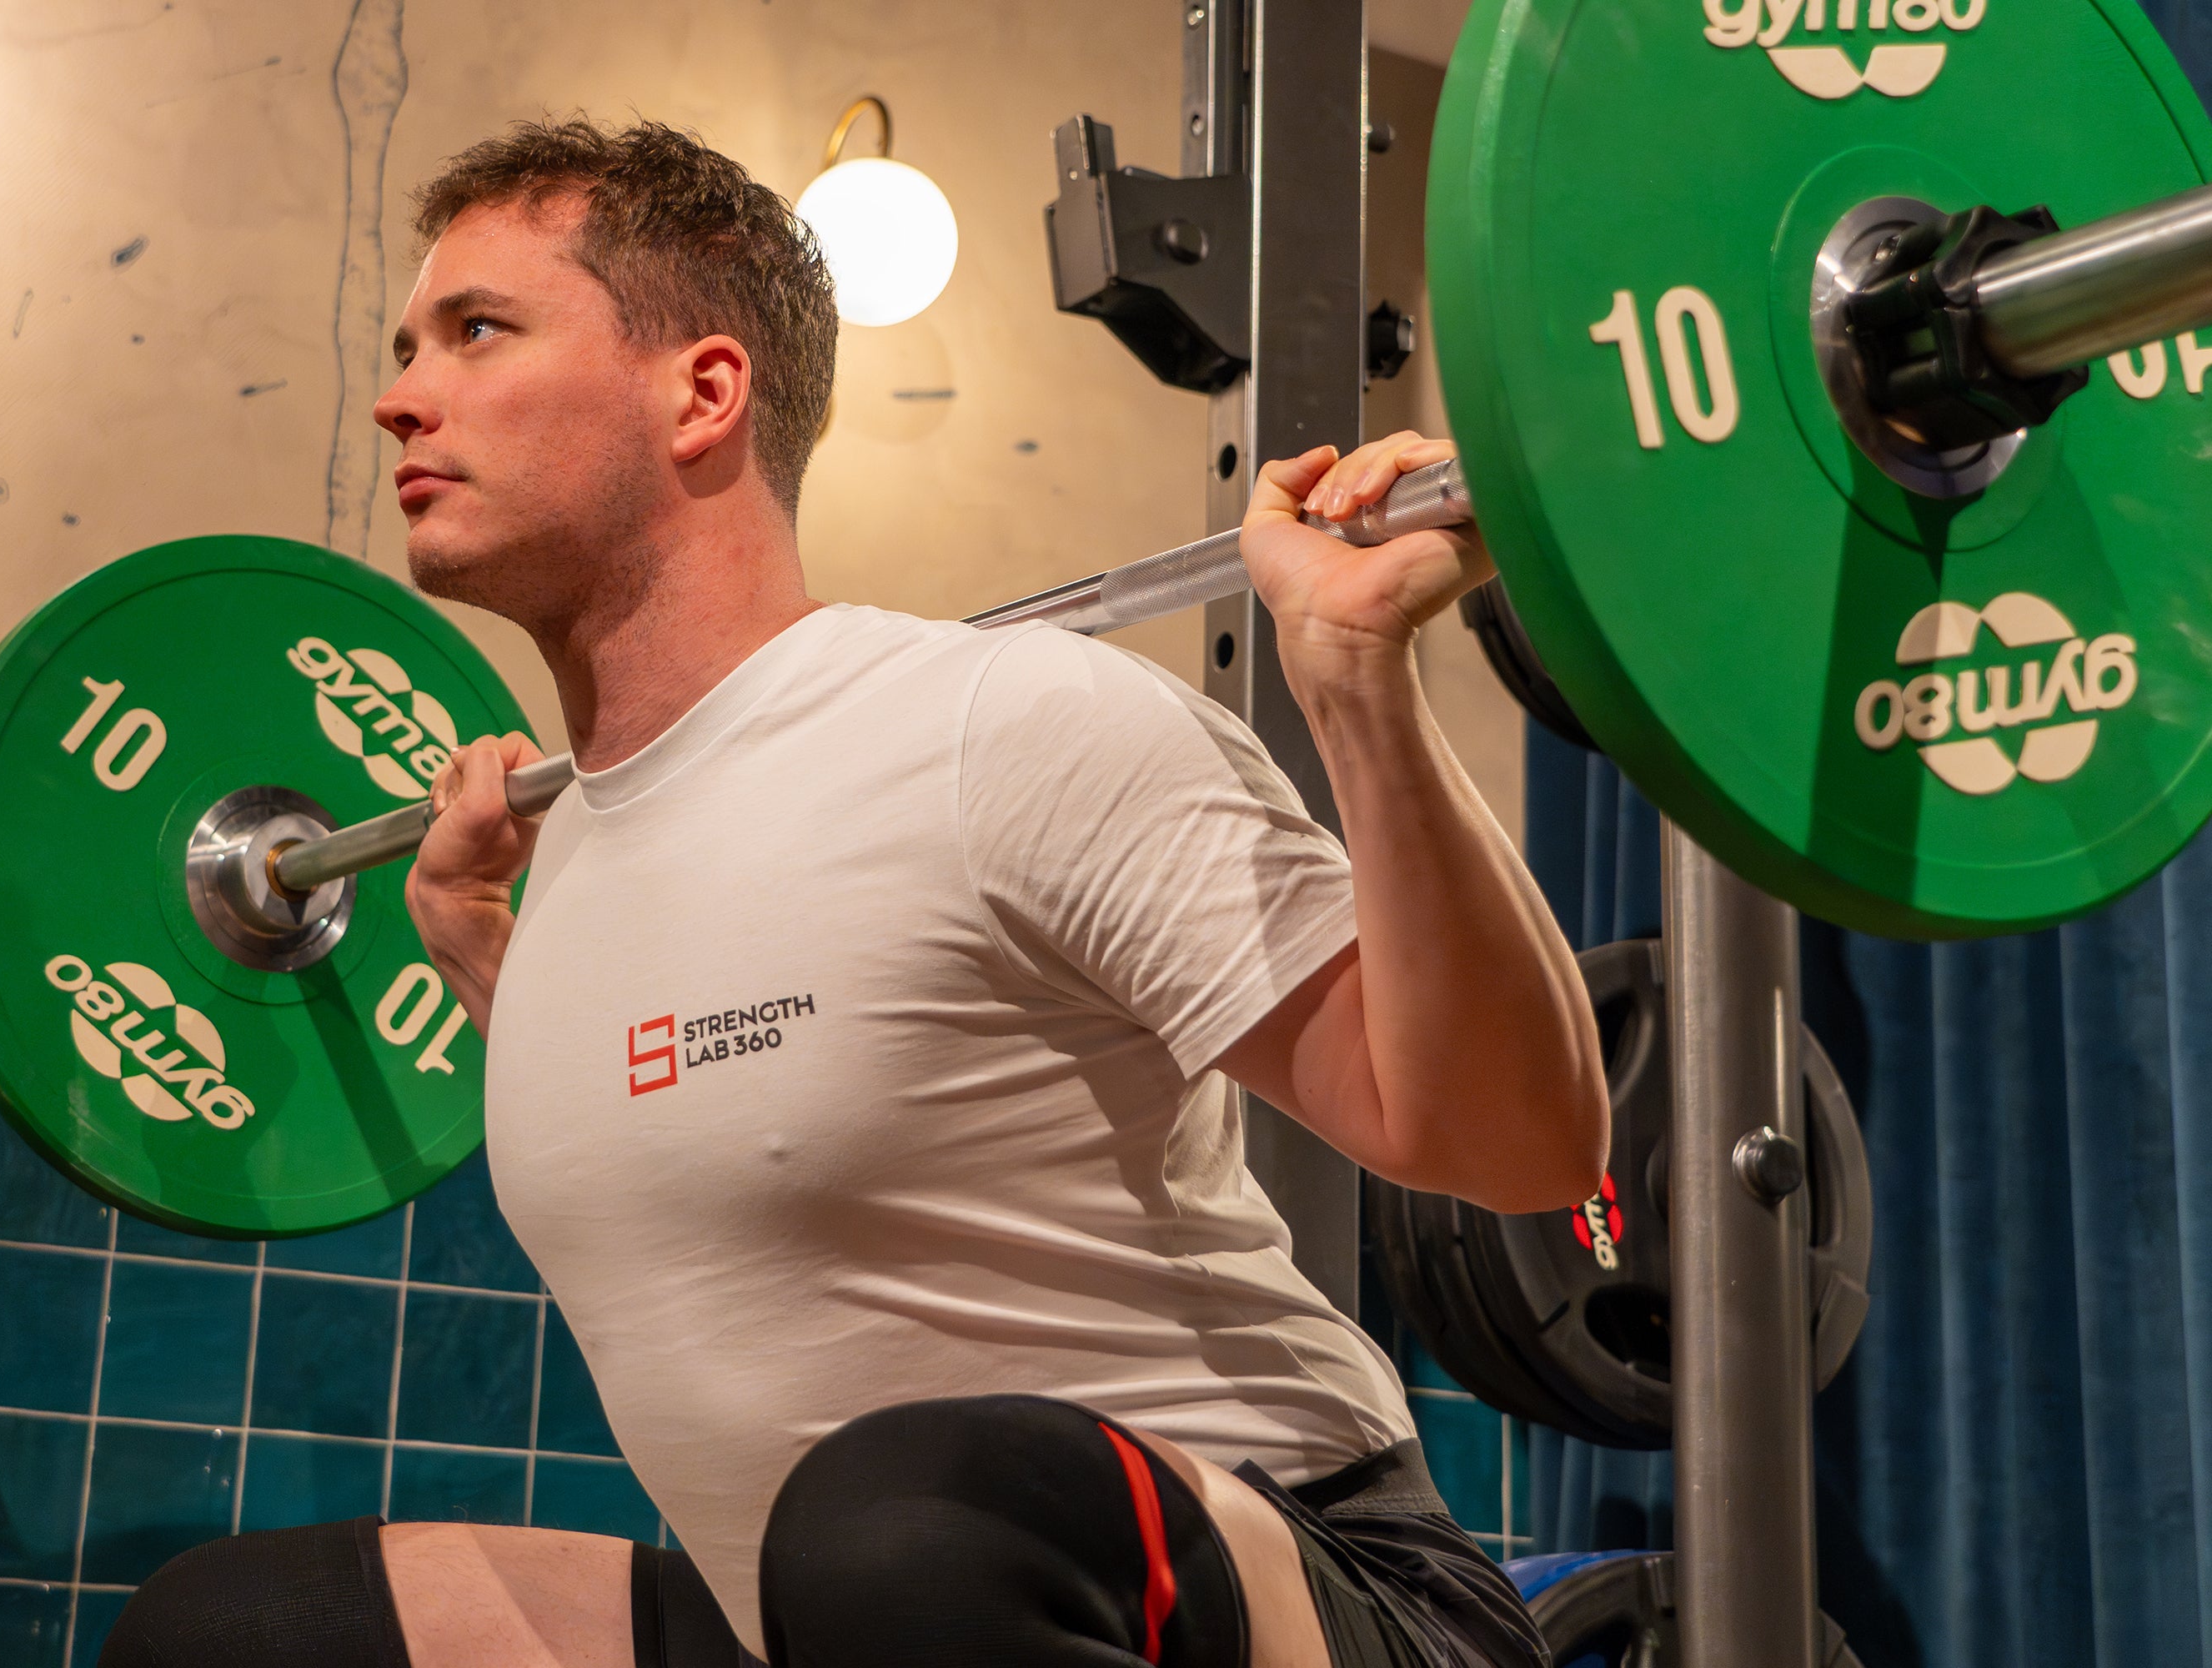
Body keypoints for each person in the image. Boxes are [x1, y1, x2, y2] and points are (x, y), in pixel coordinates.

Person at [99, 116, 1605, 1668]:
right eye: (409, 344)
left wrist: (1357, 675)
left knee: (896, 1531)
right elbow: (742, 1105)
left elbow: (1515, 1141)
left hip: (1303, 1593)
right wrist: (499, 970)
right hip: (830, 1618)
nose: (399, 395)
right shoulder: (577, 870)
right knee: (237, 1637)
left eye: (477, 331)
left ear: (701, 394)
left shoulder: (1000, 726)